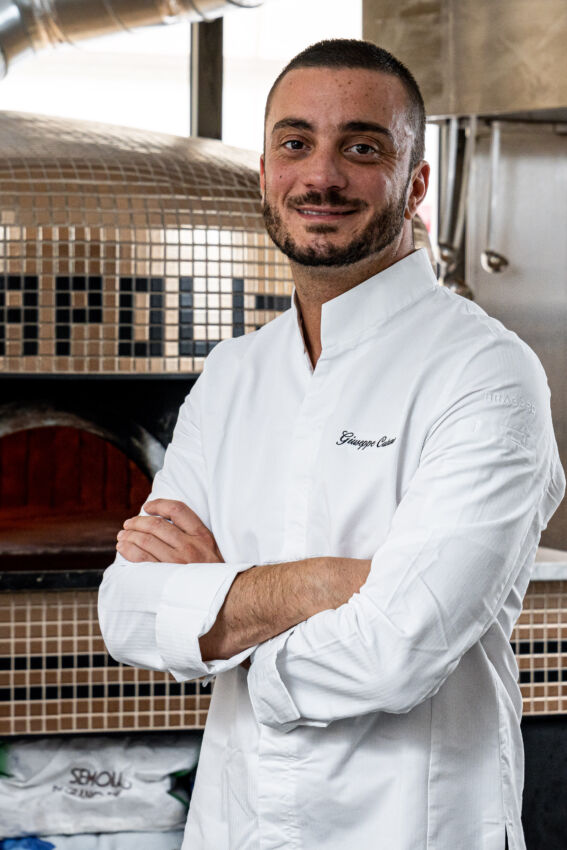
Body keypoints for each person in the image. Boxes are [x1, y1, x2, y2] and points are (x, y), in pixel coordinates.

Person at [98, 39, 564, 850]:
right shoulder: (234, 373)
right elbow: (128, 613)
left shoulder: (485, 373)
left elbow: (393, 654)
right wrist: (320, 584)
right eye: (294, 143)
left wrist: (217, 621)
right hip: (235, 826)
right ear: (265, 173)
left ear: (415, 184)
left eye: (360, 146)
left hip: (412, 828)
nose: (320, 176)